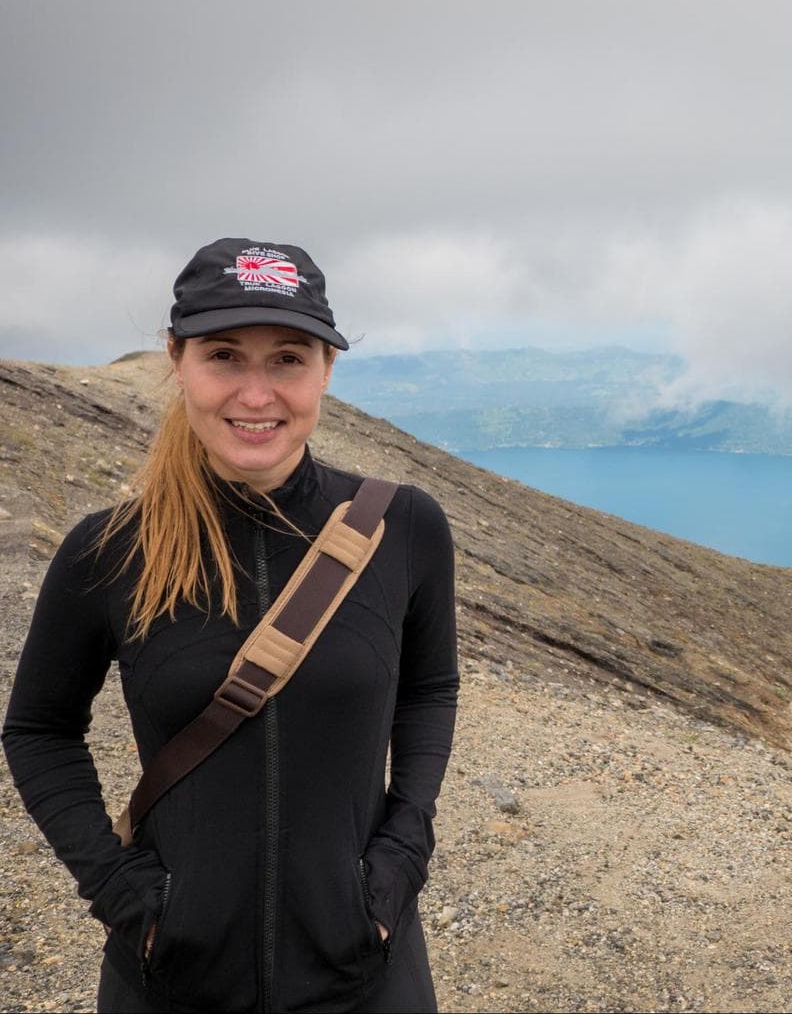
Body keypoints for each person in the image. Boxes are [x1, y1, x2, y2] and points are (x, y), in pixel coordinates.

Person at [3, 238, 459, 1012]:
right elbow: (39, 730)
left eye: (287, 359)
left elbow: (429, 689)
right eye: (224, 357)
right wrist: (122, 893)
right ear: (178, 362)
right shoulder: (110, 549)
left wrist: (400, 861)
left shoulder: (402, 526)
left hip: (365, 969)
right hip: (171, 976)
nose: (256, 395)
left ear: (325, 371)